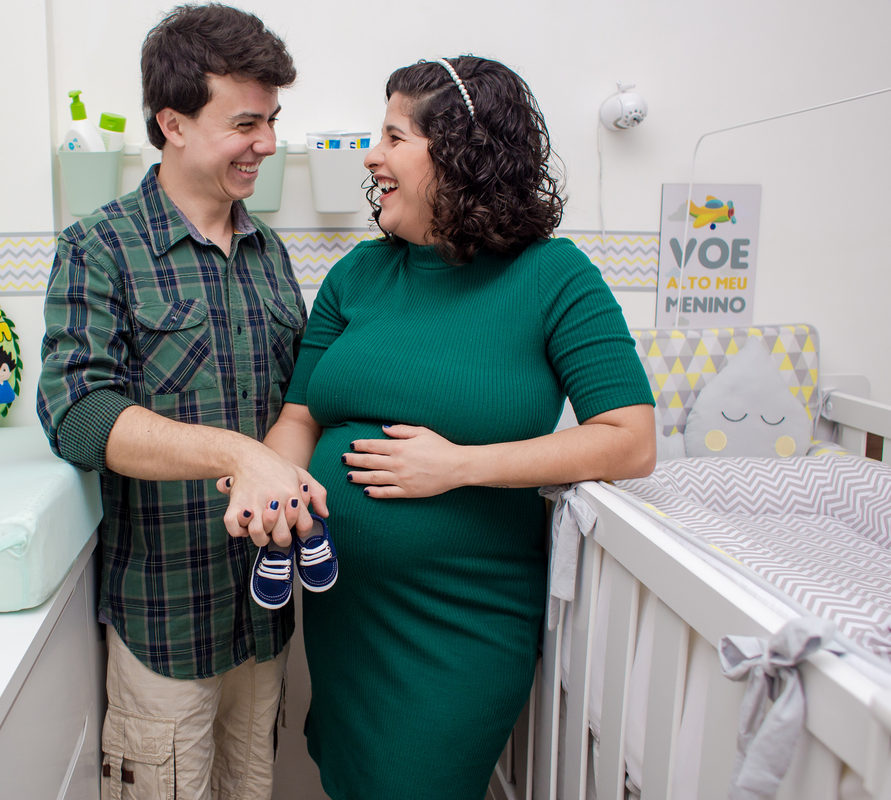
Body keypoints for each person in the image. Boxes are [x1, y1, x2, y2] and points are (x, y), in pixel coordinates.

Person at [236, 56, 657, 799]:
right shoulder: (357, 276)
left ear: (462, 153)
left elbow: (630, 438)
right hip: (346, 618)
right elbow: (301, 415)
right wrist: (274, 481)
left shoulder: (555, 277)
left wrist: (460, 465)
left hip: (462, 619)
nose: (372, 156)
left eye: (394, 137)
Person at [36, 5, 327, 799]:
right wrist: (237, 454)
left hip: (263, 620)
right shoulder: (98, 247)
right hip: (164, 622)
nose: (267, 143)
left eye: (272, 120)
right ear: (173, 124)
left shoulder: (270, 255)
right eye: (245, 124)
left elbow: (296, 406)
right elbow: (78, 414)